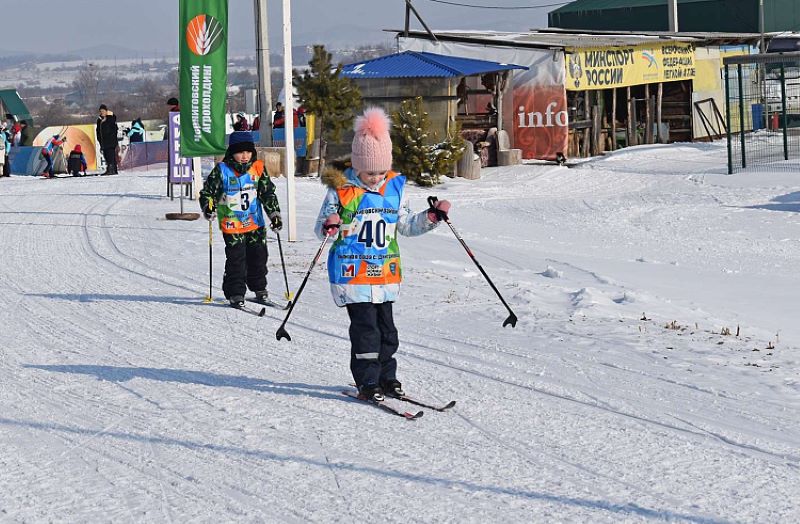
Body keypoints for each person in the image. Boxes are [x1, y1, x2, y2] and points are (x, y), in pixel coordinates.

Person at [314, 107, 452, 402]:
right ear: (357, 165)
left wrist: (430, 217)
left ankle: (388, 377)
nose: (376, 178)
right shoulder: (341, 190)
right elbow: (322, 228)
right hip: (354, 274)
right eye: (369, 172)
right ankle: (367, 381)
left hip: (385, 273)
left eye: (381, 171)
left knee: (388, 332)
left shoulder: (394, 188)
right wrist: (331, 225)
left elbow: (405, 225)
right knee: (366, 332)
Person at [199, 131, 282, 308]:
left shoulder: (258, 168)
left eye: (248, 152)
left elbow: (267, 193)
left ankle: (259, 289)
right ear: (232, 152)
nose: (244, 156)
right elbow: (207, 193)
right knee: (237, 259)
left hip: (255, 223)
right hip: (232, 223)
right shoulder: (222, 170)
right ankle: (235, 292)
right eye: (240, 152)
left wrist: (274, 215)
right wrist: (209, 206)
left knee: (259, 257)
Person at [96, 104, 119, 175]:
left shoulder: (110, 118)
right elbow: (98, 131)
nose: (101, 112)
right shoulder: (99, 120)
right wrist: (99, 139)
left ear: (106, 111)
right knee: (107, 155)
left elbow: (114, 129)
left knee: (110, 156)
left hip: (110, 141)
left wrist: (109, 116)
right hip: (103, 141)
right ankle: (113, 169)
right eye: (100, 111)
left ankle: (111, 169)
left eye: (103, 111)